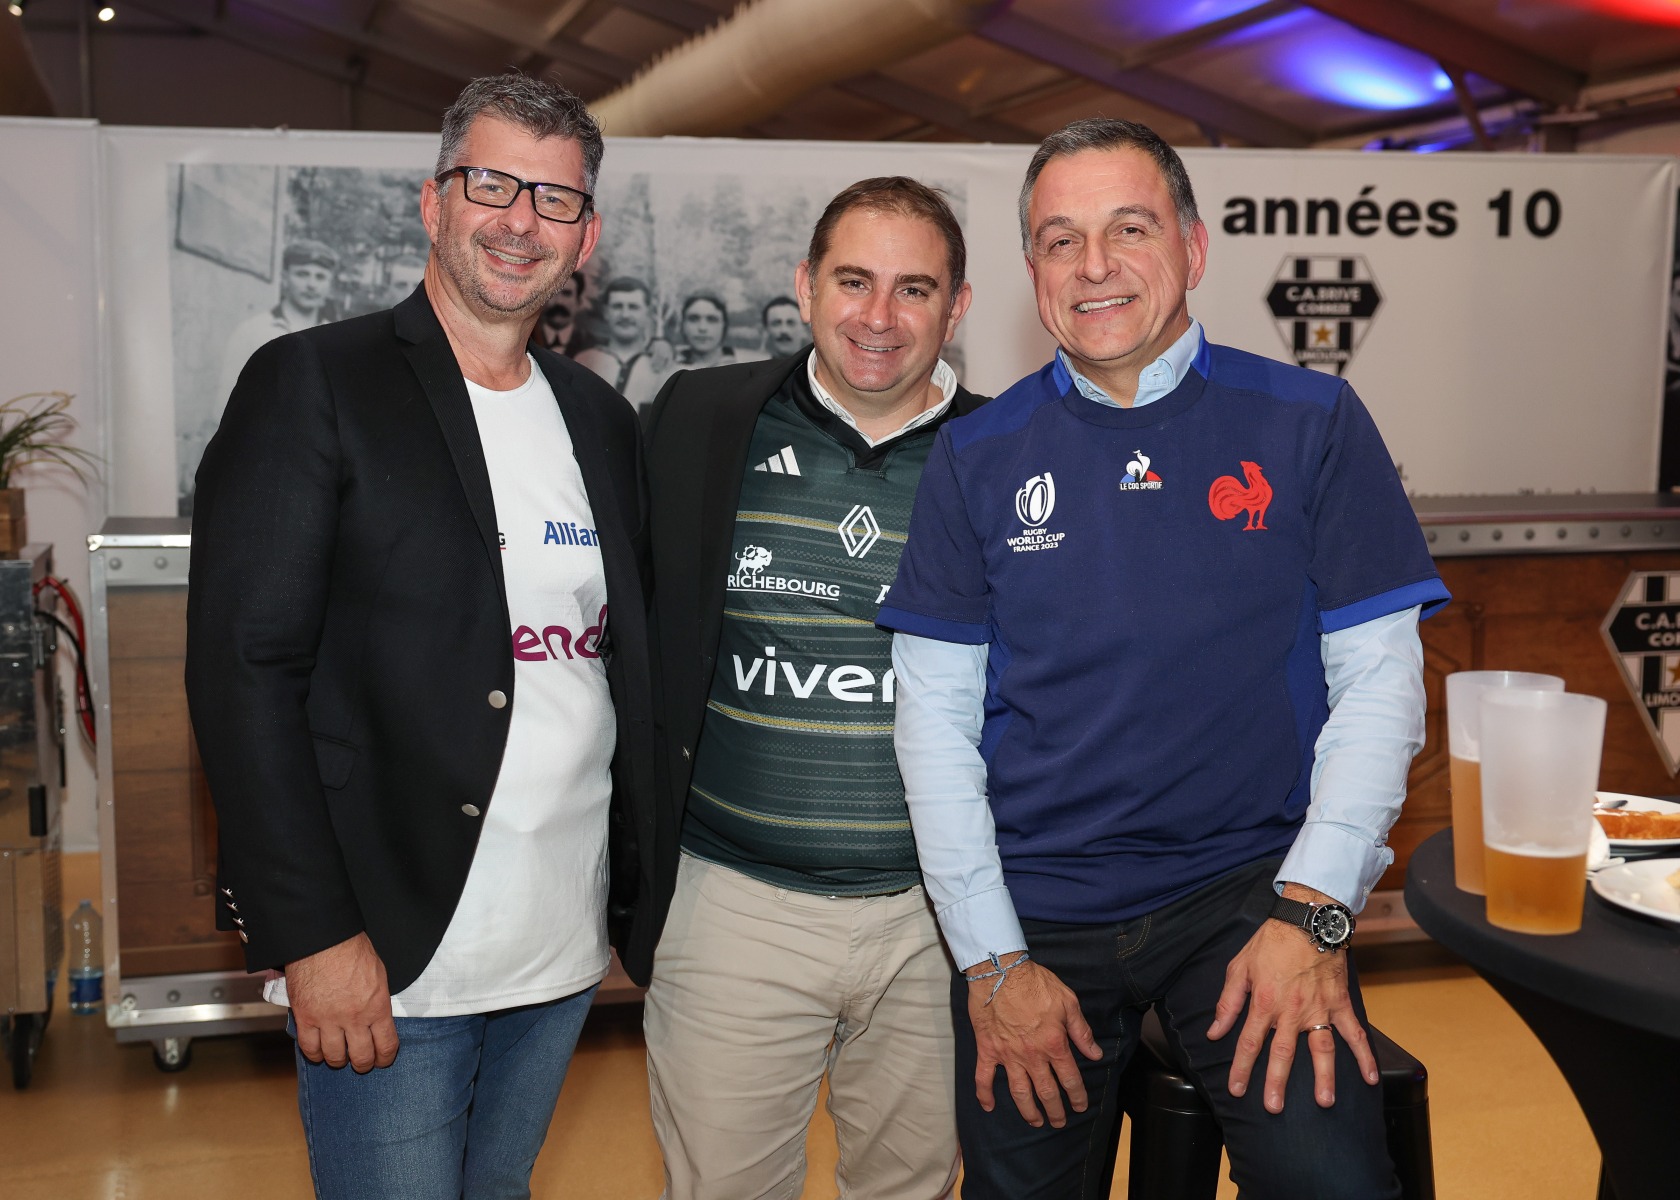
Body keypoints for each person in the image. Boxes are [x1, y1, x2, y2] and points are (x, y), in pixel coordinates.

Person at [878, 117, 1450, 1199]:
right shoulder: (976, 454)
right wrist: (992, 962)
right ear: (1033, 271)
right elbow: (934, 729)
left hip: (1247, 893)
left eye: (1128, 229)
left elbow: (1380, 687)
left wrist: (1313, 913)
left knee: (1333, 1187)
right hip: (1036, 907)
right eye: (1060, 240)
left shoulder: (1311, 420)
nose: (1093, 265)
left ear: (1192, 248)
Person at [185, 71, 655, 1200]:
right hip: (391, 952)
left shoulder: (598, 418)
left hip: (557, 947)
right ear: (433, 200)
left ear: (585, 235)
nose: (520, 221)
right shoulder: (314, 381)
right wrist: (312, 936)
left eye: (554, 199)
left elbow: (611, 663)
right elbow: (244, 674)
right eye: (491, 184)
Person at [635, 176, 982, 1200]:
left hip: (939, 925)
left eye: (915, 289)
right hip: (733, 911)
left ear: (958, 307)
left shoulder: (1007, 453)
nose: (880, 316)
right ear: (805, 286)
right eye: (854, 281)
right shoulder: (701, 420)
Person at [214, 238, 339, 417]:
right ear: (285, 278)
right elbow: (225, 404)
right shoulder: (252, 332)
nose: (311, 285)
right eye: (302, 274)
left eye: (320, 277)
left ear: (330, 285)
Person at [576, 275, 656, 390]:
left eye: (633, 307)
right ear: (606, 312)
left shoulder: (661, 364)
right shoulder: (584, 360)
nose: (625, 315)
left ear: (648, 313)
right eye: (617, 306)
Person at [535, 270, 589, 356]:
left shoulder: (591, 344)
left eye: (567, 294)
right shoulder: (526, 338)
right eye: (552, 293)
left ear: (578, 302)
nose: (559, 301)